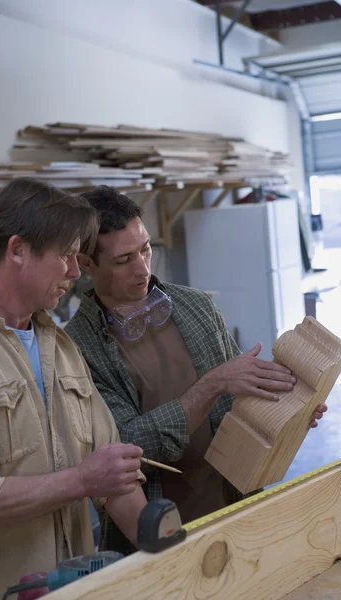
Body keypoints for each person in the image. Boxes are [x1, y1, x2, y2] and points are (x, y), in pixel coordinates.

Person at [64, 185, 327, 554]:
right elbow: (125, 445)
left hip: (234, 498)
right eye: (123, 260)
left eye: (145, 249)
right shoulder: (76, 347)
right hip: (154, 529)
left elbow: (239, 399)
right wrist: (212, 384)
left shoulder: (194, 306)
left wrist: (288, 409)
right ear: (87, 264)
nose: (142, 268)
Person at [0, 178, 147, 600]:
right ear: (17, 250)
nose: (75, 272)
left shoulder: (60, 345)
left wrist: (169, 548)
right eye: (66, 255)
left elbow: (115, 476)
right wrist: (82, 480)